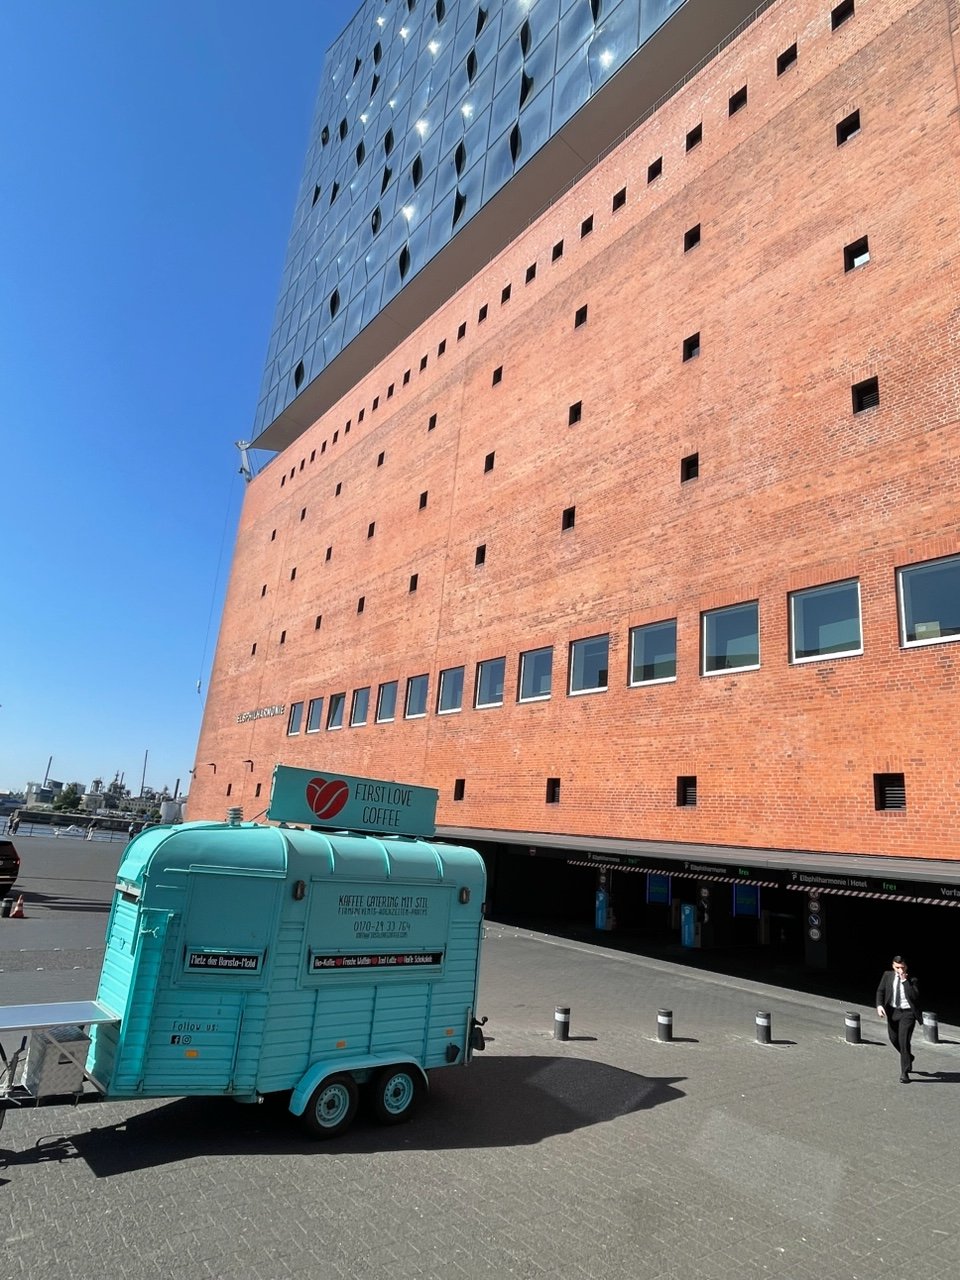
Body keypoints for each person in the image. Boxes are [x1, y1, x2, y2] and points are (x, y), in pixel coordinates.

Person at [876, 955, 922, 1083]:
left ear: (906, 966)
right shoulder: (887, 975)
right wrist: (879, 1005)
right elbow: (880, 991)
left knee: (904, 1041)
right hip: (893, 1011)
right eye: (897, 967)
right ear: (893, 966)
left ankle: (905, 1072)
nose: (900, 970)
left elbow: (914, 996)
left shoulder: (912, 979)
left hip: (908, 1014)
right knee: (893, 1038)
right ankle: (909, 1057)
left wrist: (904, 981)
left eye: (902, 967)